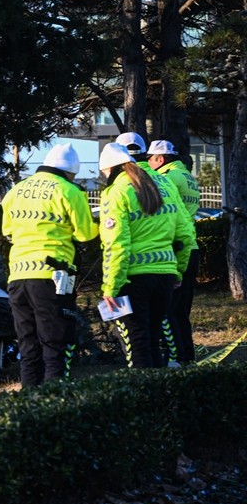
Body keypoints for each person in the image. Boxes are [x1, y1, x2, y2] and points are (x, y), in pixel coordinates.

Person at [1, 143, 98, 386]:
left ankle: (29, 396)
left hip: (17, 275)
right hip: (52, 276)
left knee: (28, 343)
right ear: (70, 172)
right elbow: (85, 234)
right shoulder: (69, 191)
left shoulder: (15, 191)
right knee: (55, 342)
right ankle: (54, 396)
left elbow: (8, 231)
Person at [97, 143, 196, 369]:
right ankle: (158, 388)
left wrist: (111, 287)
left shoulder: (116, 191)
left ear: (110, 169)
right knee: (153, 338)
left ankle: (142, 389)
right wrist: (178, 271)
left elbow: (116, 244)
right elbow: (185, 234)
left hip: (132, 279)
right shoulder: (164, 183)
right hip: (165, 276)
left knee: (137, 344)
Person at [147, 140, 202, 363]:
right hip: (192, 245)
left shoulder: (167, 178)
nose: (148, 164)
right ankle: (187, 355)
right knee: (181, 311)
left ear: (160, 159)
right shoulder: (187, 176)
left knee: (168, 310)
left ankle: (175, 357)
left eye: (150, 159)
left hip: (176, 247)